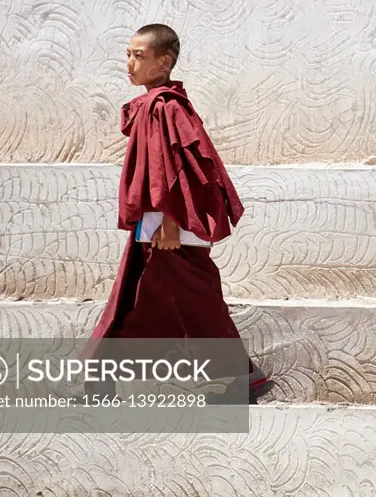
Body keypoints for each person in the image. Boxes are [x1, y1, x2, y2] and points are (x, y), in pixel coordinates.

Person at [83, 24, 272, 403]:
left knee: (190, 303)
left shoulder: (164, 107)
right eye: (128, 54)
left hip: (169, 229)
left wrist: (170, 221)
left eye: (140, 56)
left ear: (163, 62)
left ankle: (244, 377)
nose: (130, 63)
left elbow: (173, 166)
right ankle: (98, 380)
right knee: (136, 300)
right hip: (156, 225)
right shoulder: (156, 103)